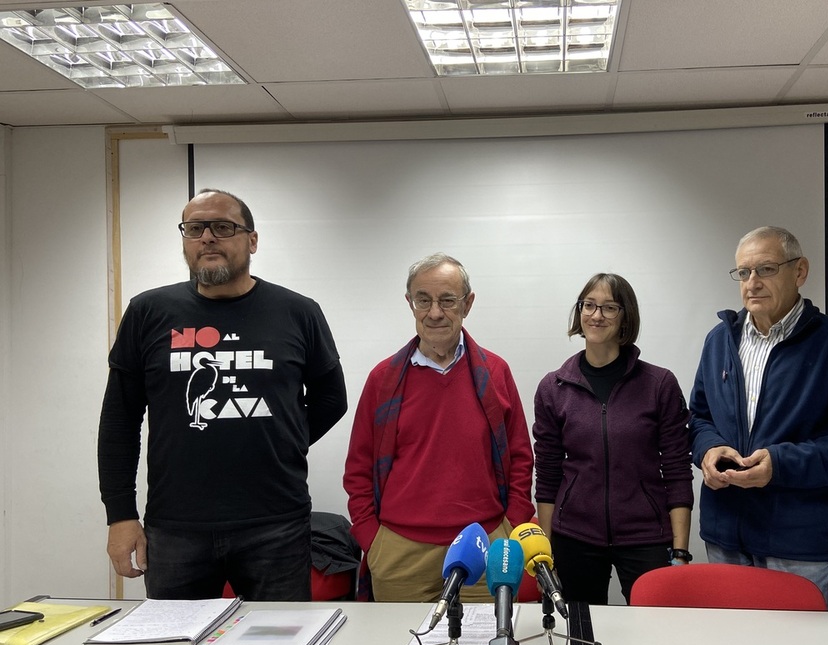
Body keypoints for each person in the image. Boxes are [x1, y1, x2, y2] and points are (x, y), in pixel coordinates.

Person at [98, 188, 348, 601]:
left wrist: (281, 442)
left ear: (252, 240)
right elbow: (119, 420)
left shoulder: (298, 311)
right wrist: (121, 515)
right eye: (194, 229)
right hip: (176, 528)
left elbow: (330, 399)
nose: (207, 237)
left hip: (276, 526)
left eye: (223, 227)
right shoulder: (148, 312)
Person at [689, 226, 828, 610]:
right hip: (724, 539)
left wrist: (780, 465)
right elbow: (699, 417)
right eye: (743, 272)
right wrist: (708, 449)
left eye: (765, 269)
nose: (752, 283)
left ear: (799, 272)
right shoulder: (719, 340)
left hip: (800, 549)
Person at [343, 253, 535, 602]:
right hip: (400, 554)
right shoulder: (382, 380)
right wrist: (372, 539)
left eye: (447, 300)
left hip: (483, 545)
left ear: (468, 303)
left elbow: (521, 457)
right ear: (410, 304)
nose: (434, 312)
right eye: (423, 300)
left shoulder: (495, 373)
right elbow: (358, 468)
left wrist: (511, 526)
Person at [532, 273, 694, 605]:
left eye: (609, 307)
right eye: (588, 305)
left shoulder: (658, 384)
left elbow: (677, 470)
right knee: (579, 633)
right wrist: (546, 552)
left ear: (625, 317)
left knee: (656, 631)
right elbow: (547, 477)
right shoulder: (553, 388)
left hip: (646, 536)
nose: (596, 315)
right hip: (575, 536)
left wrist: (680, 551)